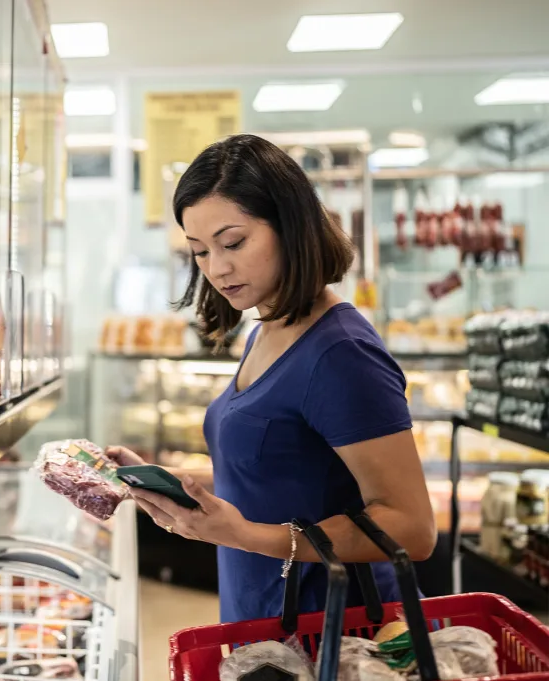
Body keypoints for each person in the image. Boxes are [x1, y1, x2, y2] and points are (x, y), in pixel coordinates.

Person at [107, 134, 436, 623]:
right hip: (264, 614)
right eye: (199, 252)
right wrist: (181, 489)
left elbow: (412, 529)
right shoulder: (265, 328)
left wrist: (243, 535)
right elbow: (284, 473)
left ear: (290, 226)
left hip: (331, 630)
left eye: (233, 242)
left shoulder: (341, 351)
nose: (217, 268)